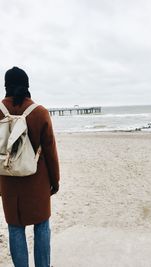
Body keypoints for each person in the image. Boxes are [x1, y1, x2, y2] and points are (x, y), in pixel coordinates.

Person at [0, 67, 60, 267]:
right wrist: (55, 181)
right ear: (27, 86)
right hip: (37, 181)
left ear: (6, 85)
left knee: (15, 228)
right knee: (42, 225)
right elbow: (50, 151)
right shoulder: (40, 113)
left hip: (7, 180)